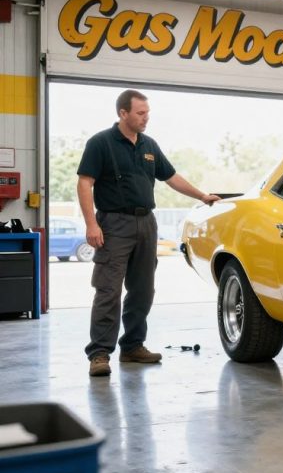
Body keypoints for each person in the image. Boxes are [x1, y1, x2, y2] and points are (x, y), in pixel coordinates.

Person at [78, 89, 220, 377]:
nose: (146, 118)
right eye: (140, 113)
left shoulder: (149, 145)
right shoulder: (101, 143)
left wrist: (202, 195)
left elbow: (171, 177)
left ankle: (132, 346)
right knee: (108, 289)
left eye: (147, 113)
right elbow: (84, 183)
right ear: (123, 113)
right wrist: (91, 224)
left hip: (146, 223)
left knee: (143, 289)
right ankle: (100, 353)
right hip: (113, 224)